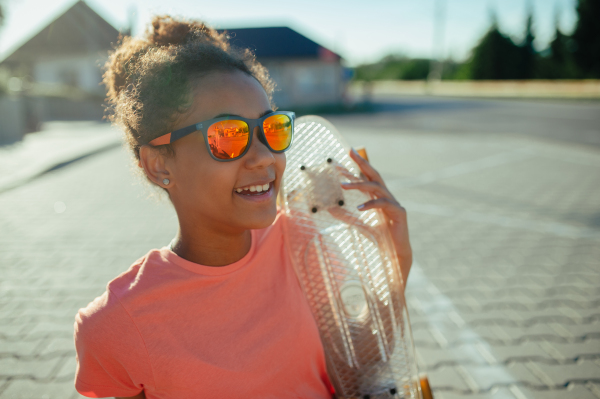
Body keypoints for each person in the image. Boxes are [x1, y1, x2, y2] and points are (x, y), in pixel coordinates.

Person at [73, 15, 413, 399]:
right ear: (159, 164)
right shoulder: (116, 324)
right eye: (228, 136)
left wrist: (396, 261)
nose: (265, 157)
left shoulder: (297, 238)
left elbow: (358, 368)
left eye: (272, 129)